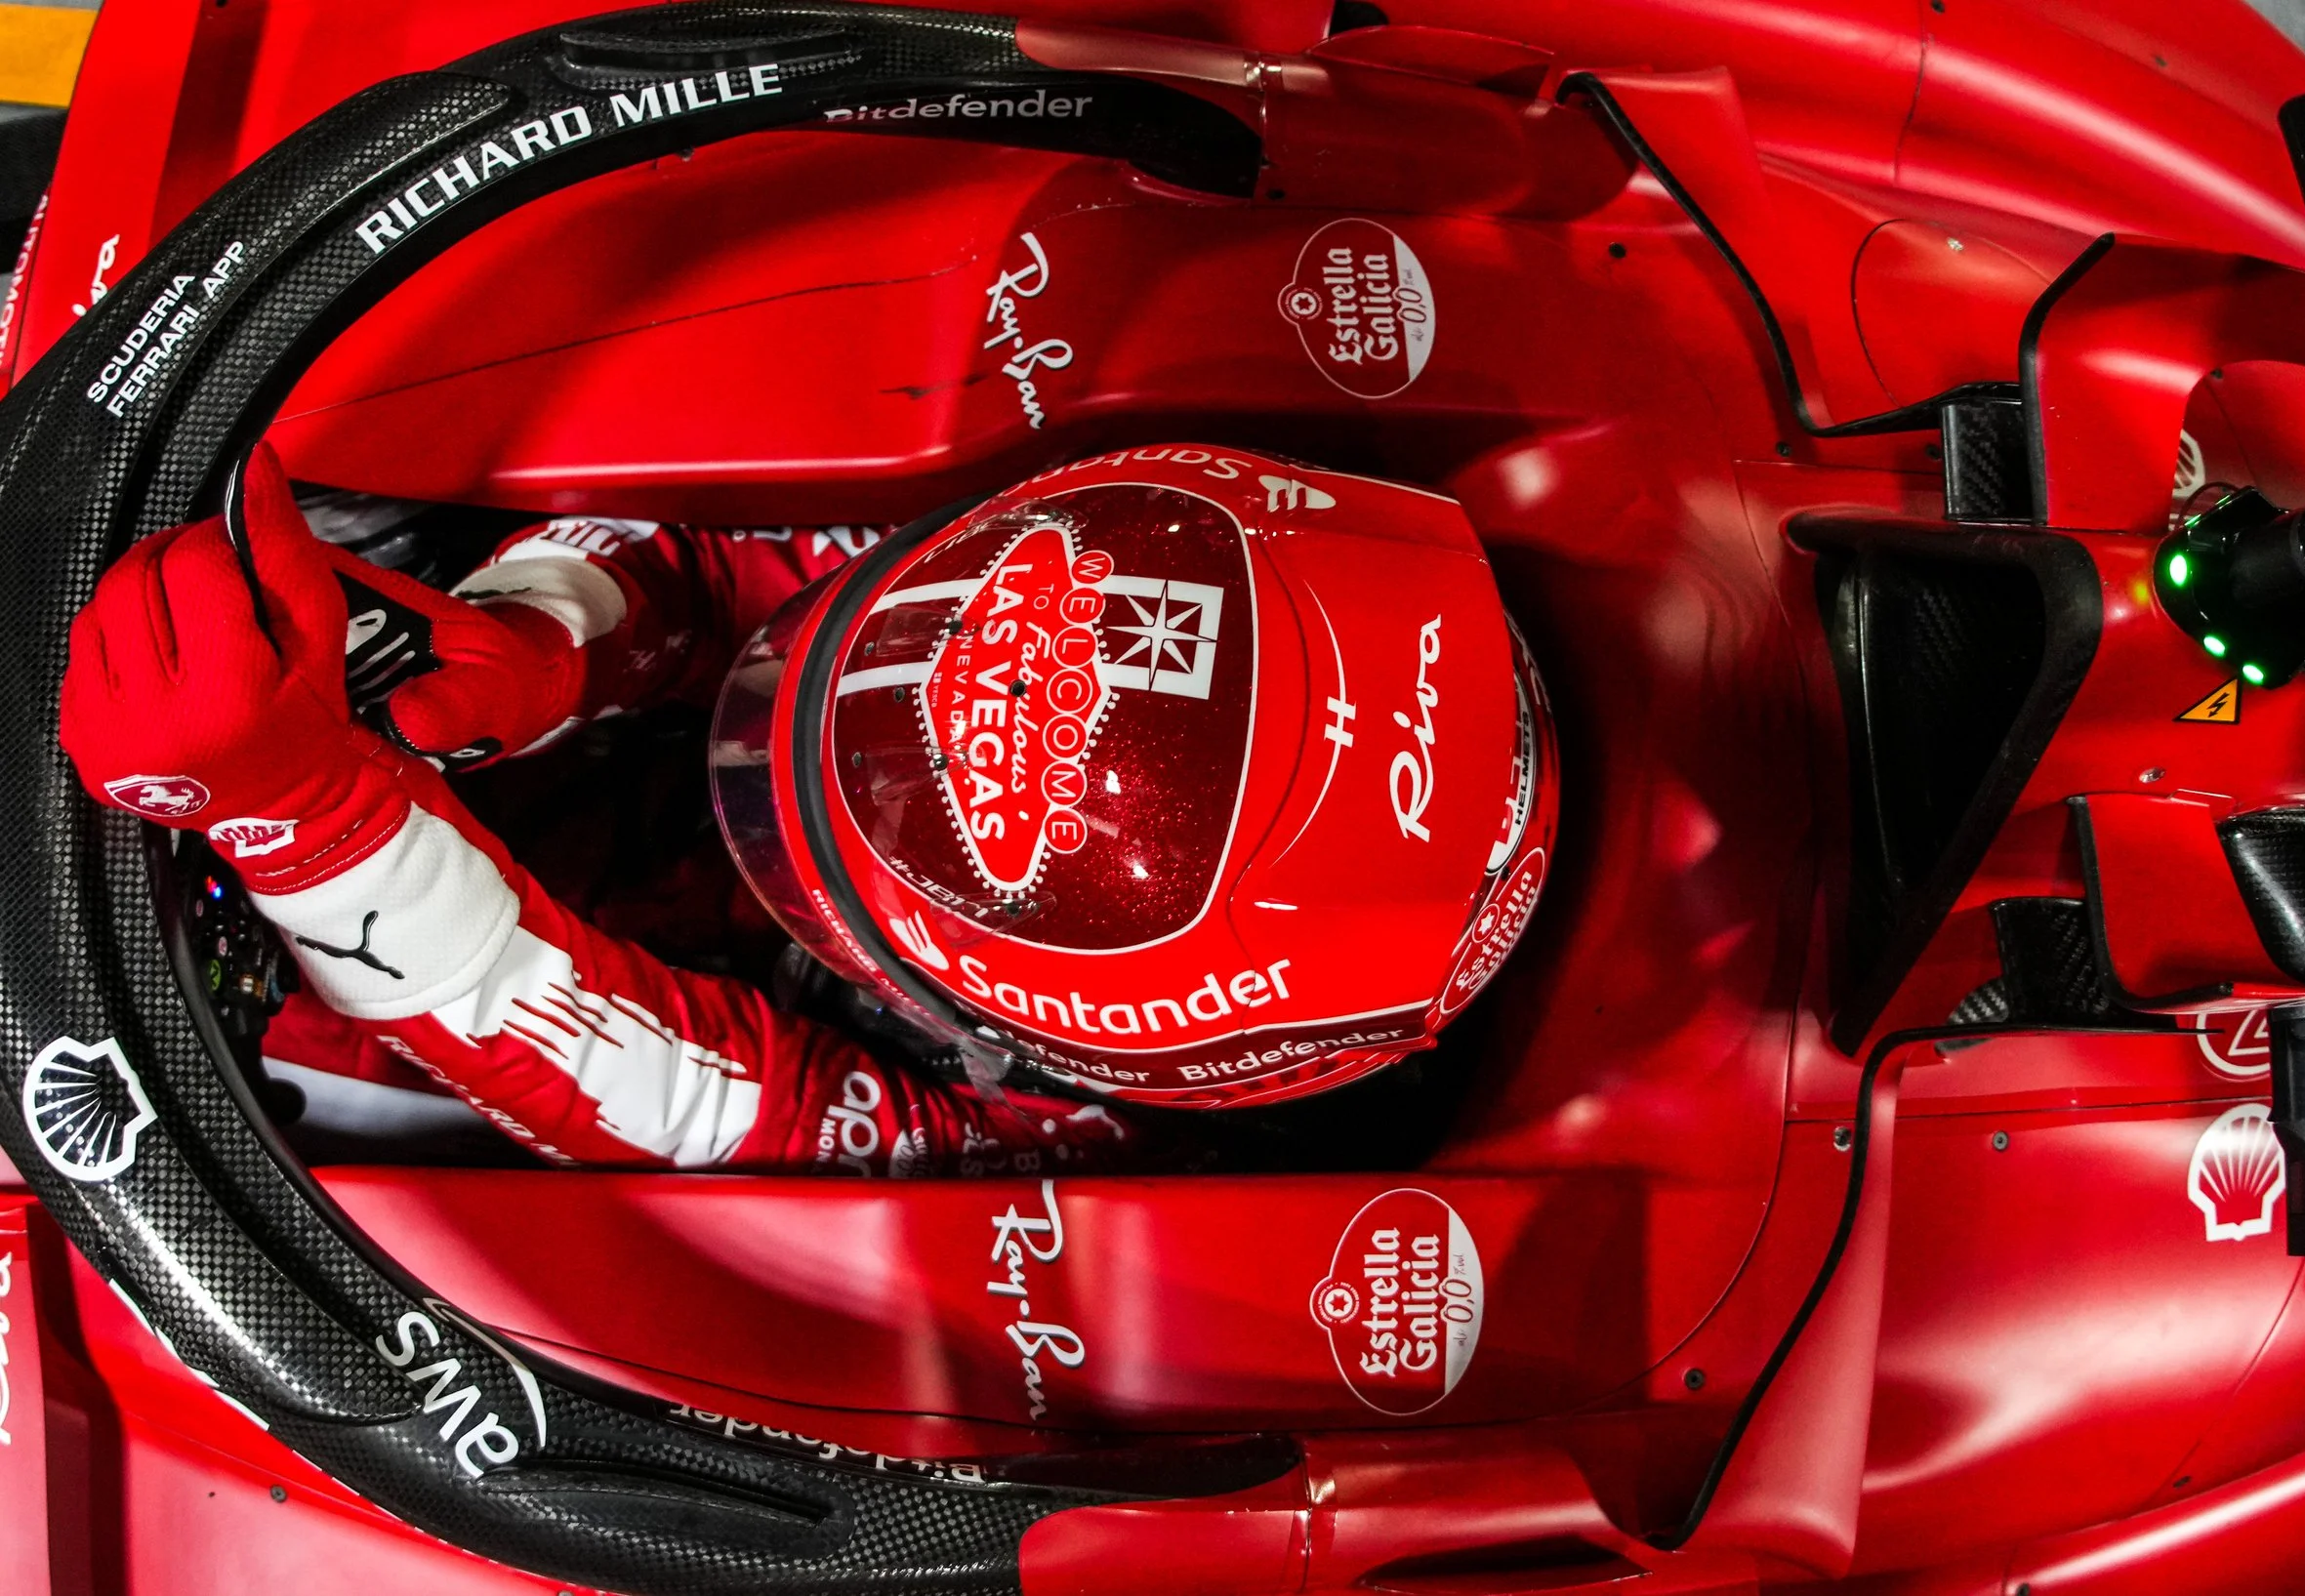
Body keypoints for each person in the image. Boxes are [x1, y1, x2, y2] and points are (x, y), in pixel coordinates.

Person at [60, 441, 1556, 1175]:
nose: (767, 778)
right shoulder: (1128, 517)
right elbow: (755, 566)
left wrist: (315, 835)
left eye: (825, 851)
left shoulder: (1033, 1134)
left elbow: (683, 1091)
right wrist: (546, 631)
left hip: (430, 972)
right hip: (486, 767)